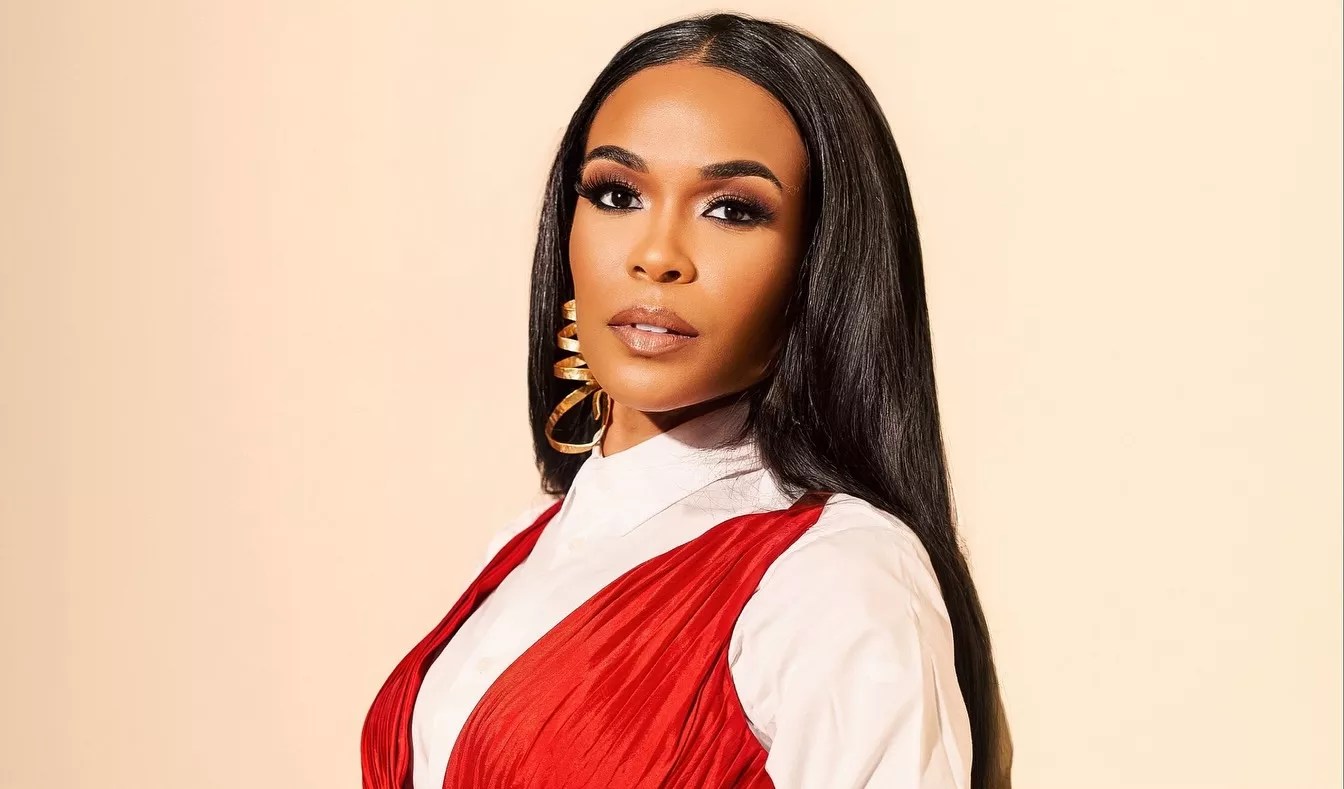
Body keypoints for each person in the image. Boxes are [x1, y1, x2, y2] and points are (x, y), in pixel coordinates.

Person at [362, 11, 1013, 789]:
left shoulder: (837, 578)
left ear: (819, 264)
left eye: (733, 208)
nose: (657, 255)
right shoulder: (527, 550)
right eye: (615, 194)